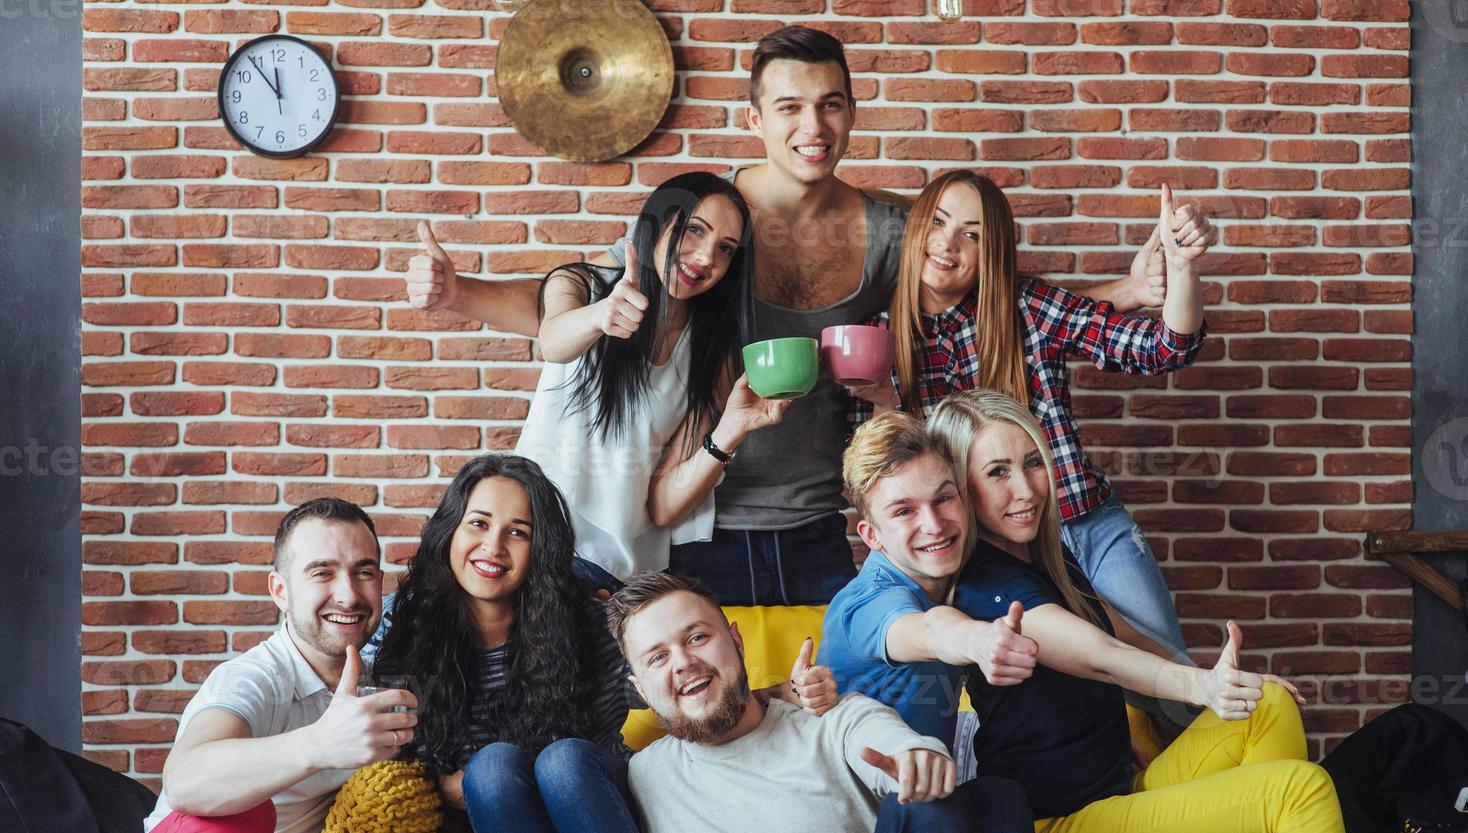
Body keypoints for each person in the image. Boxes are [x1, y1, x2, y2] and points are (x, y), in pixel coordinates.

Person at [405, 26, 1164, 607]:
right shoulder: (707, 221)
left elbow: (985, 287)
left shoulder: (891, 229)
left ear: (852, 112)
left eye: (831, 105)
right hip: (695, 521)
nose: (814, 126)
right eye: (791, 107)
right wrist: (458, 294)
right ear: (756, 117)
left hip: (816, 522)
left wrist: (1123, 296)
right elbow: (583, 299)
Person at [834, 403, 1385, 833]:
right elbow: (1102, 658)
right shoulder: (987, 587)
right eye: (996, 473)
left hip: (1117, 792)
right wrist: (1199, 685)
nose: (1024, 488)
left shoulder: (1045, 554)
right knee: (1300, 791)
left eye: (1031, 464)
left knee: (1266, 704)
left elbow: (1128, 637)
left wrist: (1211, 685)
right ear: (965, 487)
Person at [365, 454, 836, 833]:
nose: (493, 548)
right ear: (451, 528)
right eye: (478, 523)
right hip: (504, 823)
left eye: (518, 532)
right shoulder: (402, 626)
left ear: (539, 548)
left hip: (595, 806)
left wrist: (776, 692)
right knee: (494, 768)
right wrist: (452, 786)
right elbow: (384, 746)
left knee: (563, 760)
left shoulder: (582, 619)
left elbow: (676, 690)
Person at [848, 169, 1216, 681]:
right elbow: (880, 475)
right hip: (990, 552)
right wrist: (887, 401)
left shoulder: (1027, 307)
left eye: (972, 234)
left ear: (991, 250)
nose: (947, 243)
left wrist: (1183, 269)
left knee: (1166, 668)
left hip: (1084, 523)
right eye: (937, 221)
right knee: (1083, 684)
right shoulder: (872, 341)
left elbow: (1164, 347)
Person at [606, 572, 1038, 833]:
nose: (682, 662)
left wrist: (915, 756)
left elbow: (887, 740)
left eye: (698, 637)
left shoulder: (830, 718)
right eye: (658, 657)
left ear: (736, 642)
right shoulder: (644, 776)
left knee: (991, 799)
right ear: (642, 689)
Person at [53, 498, 413, 833]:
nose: (348, 594)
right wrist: (320, 743)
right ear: (280, 591)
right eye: (322, 573)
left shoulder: (379, 695)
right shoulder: (253, 679)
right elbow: (186, 781)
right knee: (240, 812)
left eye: (364, 571)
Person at [516, 172, 789, 595]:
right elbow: (553, 343)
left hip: (624, 580)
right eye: (694, 230)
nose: (704, 257)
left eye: (726, 249)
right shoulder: (578, 284)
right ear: (657, 223)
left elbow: (662, 506)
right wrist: (600, 316)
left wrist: (730, 432)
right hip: (540, 552)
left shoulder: (711, 354)